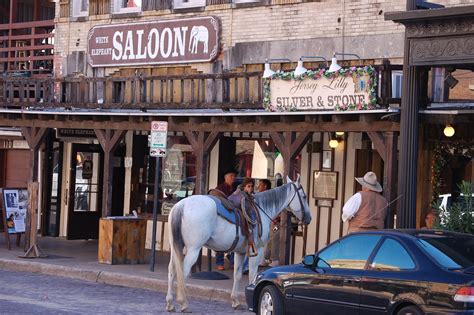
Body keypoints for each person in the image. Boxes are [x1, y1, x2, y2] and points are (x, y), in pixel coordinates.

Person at [211, 168, 237, 271]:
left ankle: (232, 261)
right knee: (220, 241)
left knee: (235, 238)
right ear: (225, 177)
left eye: (234, 176)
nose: (233, 178)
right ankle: (219, 263)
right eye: (231, 176)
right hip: (222, 216)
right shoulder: (219, 189)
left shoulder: (235, 188)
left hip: (233, 216)